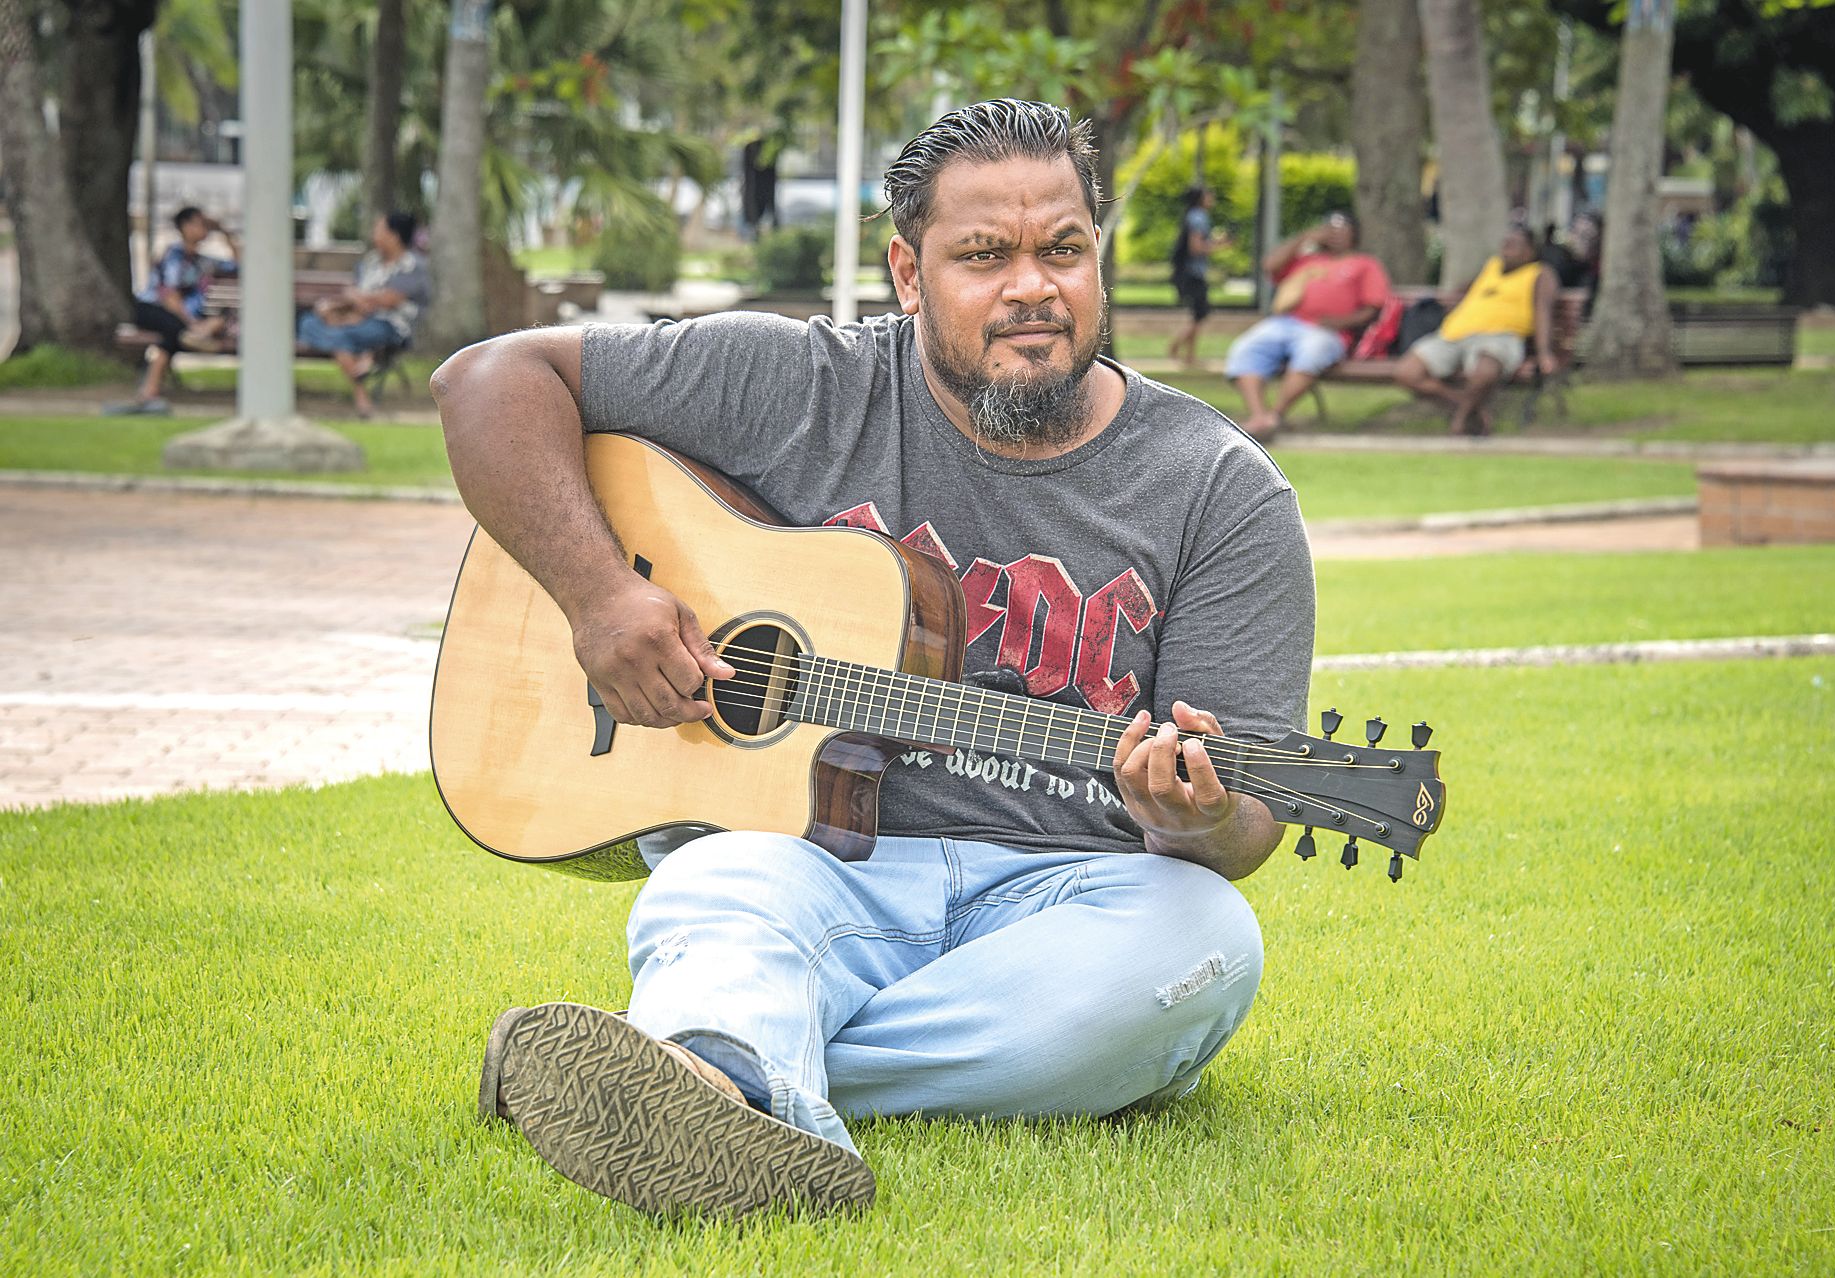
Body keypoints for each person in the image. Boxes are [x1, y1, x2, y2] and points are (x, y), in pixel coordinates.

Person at [431, 100, 1314, 1219]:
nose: (1032, 287)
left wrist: (1197, 822)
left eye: (1065, 249)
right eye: (984, 255)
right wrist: (603, 597)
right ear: (908, 272)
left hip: (1065, 896)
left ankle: (717, 1070)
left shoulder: (1221, 491)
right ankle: (732, 1064)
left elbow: (1244, 833)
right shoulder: (797, 385)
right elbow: (488, 383)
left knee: (1205, 946)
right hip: (810, 862)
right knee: (722, 882)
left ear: (1101, 255)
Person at [1222, 211, 1388, 440]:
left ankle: (1275, 416)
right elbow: (1270, 265)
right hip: (1287, 323)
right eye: (1330, 229)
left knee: (1312, 351)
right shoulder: (1307, 260)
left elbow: (1373, 309)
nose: (1335, 234)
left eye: (1342, 230)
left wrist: (1338, 322)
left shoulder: (1365, 264)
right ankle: (1258, 416)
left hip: (1329, 332)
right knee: (1248, 346)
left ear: (1355, 234)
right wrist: (1303, 238)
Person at [1392, 225, 1559, 437]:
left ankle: (1460, 421)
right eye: (1504, 244)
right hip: (1453, 335)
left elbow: (1543, 312)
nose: (1506, 250)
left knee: (1484, 373)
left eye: (1513, 245)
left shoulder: (1539, 274)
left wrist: (1545, 353)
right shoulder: (1491, 267)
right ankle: (1469, 407)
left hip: (1500, 337)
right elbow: (1469, 292)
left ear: (1529, 251)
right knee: (1405, 372)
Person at [106, 207, 241, 416]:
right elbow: (169, 296)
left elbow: (240, 264)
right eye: (199, 223)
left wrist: (224, 232)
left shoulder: (205, 261)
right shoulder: (173, 255)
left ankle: (149, 391)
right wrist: (191, 324)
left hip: (179, 321)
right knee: (175, 329)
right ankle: (193, 336)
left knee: (171, 335)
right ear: (185, 227)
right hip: (152, 309)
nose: (204, 228)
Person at [297, 211, 430, 417]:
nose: (374, 234)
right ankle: (364, 363)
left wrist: (356, 298)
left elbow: (387, 301)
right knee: (309, 323)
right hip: (356, 323)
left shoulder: (413, 266)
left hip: (390, 326)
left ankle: (361, 391)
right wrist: (339, 310)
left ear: (393, 236)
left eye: (379, 229)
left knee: (341, 336)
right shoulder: (371, 262)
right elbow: (362, 299)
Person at [1165, 185, 1226, 367]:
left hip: (1190, 273)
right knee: (1200, 314)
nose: (1212, 198)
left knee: (1197, 314)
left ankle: (1189, 355)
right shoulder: (1199, 217)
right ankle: (1176, 348)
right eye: (1208, 195)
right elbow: (1197, 248)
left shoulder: (1193, 216)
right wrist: (1220, 246)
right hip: (1193, 273)